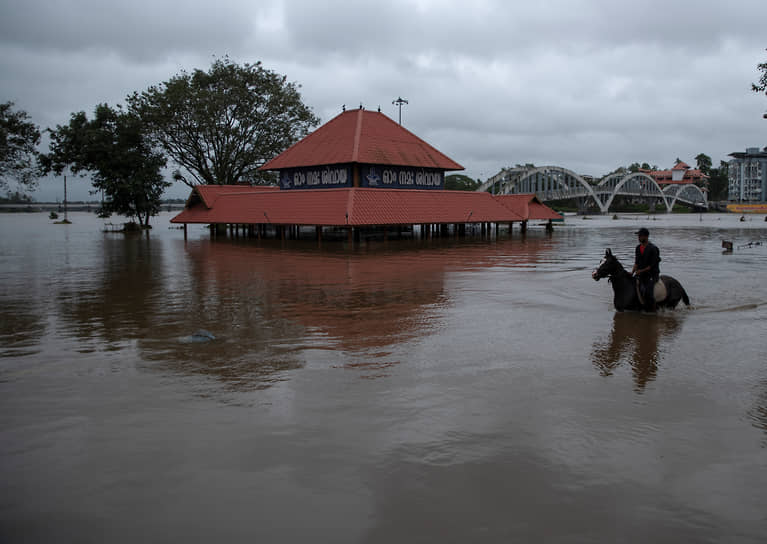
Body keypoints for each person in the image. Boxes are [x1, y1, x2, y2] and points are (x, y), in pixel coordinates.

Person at [631, 227, 661, 311]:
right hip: (641, 274)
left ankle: (653, 310)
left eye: (640, 236)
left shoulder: (653, 249)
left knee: (648, 292)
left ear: (646, 237)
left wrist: (640, 271)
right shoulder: (638, 248)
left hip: (652, 275)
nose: (639, 238)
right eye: (638, 236)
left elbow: (651, 266)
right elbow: (636, 263)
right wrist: (632, 272)